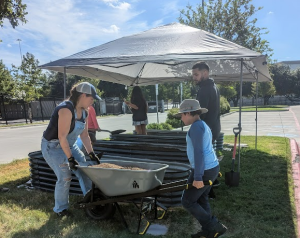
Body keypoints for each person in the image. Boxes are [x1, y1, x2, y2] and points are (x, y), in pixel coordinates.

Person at [41, 82, 102, 217]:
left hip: (71, 144)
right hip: (53, 146)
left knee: (85, 171)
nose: (92, 102)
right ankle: (60, 209)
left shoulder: (85, 112)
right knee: (65, 176)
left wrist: (91, 154)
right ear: (82, 96)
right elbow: (62, 137)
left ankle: (91, 201)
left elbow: (84, 135)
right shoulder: (65, 109)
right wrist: (70, 159)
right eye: (91, 99)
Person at [176, 99, 227, 238]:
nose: (181, 117)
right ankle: (209, 231)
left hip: (204, 170)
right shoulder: (202, 124)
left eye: (182, 115)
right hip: (211, 168)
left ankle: (213, 226)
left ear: (188, 113)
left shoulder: (196, 128)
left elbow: (199, 152)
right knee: (202, 198)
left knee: (187, 201)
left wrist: (198, 176)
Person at [192, 61, 221, 195]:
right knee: (209, 156)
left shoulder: (205, 89)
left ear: (205, 73)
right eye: (193, 75)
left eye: (196, 74)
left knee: (204, 159)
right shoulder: (213, 86)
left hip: (207, 128)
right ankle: (212, 185)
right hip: (213, 127)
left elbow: (200, 113)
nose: (194, 77)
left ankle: (208, 189)